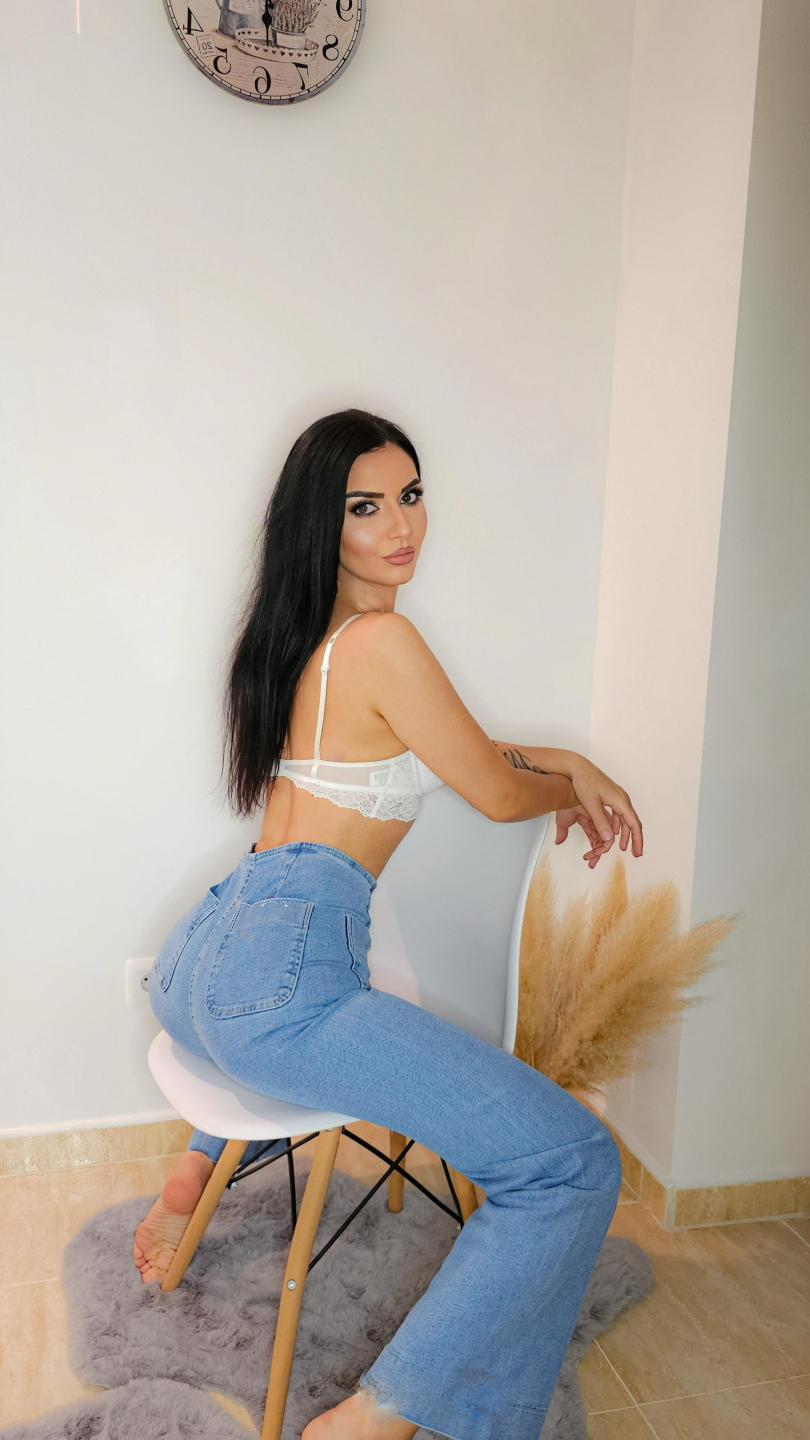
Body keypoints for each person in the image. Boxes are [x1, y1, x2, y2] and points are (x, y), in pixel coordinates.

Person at [133, 408, 644, 1440]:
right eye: (365, 506)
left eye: (410, 496)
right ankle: (378, 1417)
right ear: (322, 524)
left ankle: (196, 1167)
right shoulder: (385, 640)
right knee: (571, 1163)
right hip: (277, 981)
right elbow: (493, 791)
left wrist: (564, 762)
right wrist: (562, 786)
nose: (402, 525)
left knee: (294, 1008)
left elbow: (459, 750)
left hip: (196, 968)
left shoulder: (308, 644)